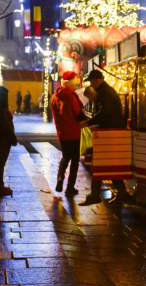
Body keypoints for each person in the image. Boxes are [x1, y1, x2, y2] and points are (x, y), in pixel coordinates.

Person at [79, 69, 129, 206]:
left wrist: (88, 123)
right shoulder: (107, 91)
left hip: (108, 133)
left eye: (91, 81)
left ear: (97, 81)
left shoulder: (103, 93)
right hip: (111, 131)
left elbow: (104, 113)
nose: (91, 84)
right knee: (107, 164)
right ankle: (121, 191)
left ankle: (95, 195)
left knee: (99, 164)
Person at [51, 72, 87, 196]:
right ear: (72, 82)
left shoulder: (55, 97)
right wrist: (87, 119)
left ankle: (60, 178)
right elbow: (78, 114)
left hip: (62, 132)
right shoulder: (72, 96)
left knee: (66, 157)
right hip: (73, 132)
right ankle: (70, 187)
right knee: (75, 159)